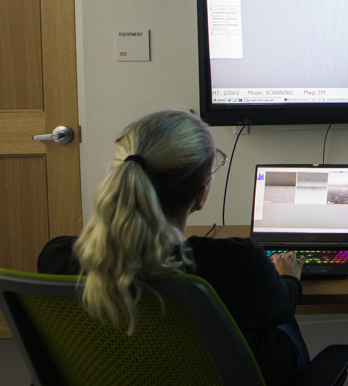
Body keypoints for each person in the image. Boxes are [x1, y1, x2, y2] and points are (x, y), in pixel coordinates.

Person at [37, 110, 310, 386]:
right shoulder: (235, 263)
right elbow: (281, 309)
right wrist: (288, 278)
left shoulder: (58, 258)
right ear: (200, 194)